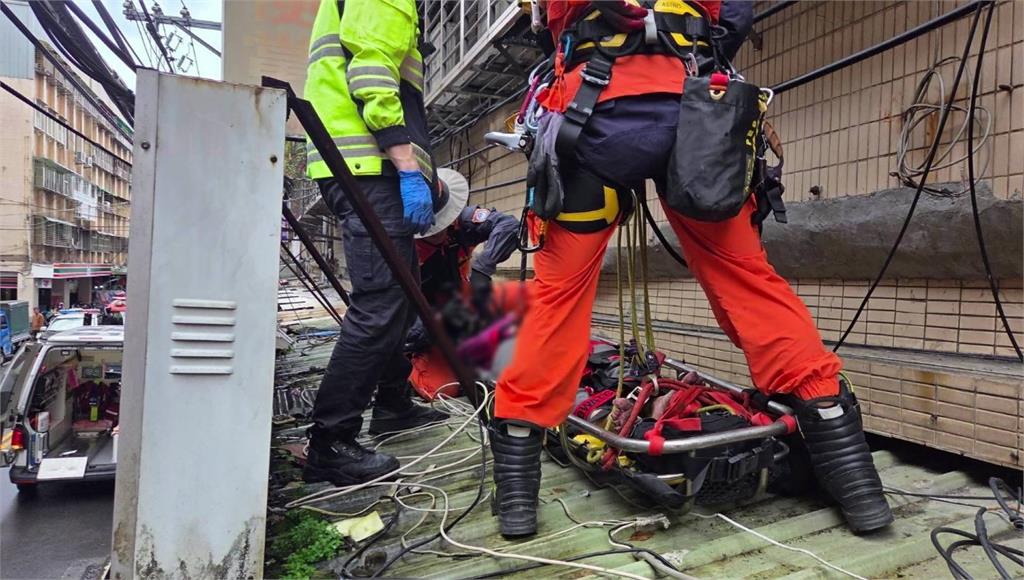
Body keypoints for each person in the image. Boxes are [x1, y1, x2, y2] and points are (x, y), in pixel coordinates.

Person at [489, 0, 892, 538]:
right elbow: (737, 18)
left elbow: (546, 26)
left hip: (590, 118)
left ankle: (517, 505)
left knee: (556, 302)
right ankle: (860, 491)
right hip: (696, 115)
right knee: (747, 281)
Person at [302, 0, 447, 486]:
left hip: (364, 166)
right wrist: (407, 165)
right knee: (382, 301)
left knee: (401, 295)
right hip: (369, 167)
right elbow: (370, 72)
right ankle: (330, 442)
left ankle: (391, 403)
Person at [404, 168, 520, 400]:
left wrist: (483, 267)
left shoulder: (463, 222)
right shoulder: (402, 249)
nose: (438, 234)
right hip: (424, 325)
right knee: (442, 388)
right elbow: (396, 319)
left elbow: (508, 226)